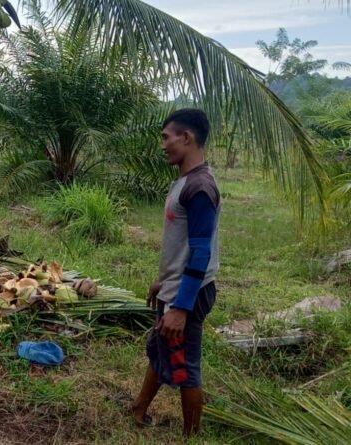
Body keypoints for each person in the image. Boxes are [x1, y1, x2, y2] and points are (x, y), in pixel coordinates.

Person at [130, 108, 220, 437]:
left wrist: (181, 307)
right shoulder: (185, 181)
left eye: (166, 138)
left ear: (187, 137)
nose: (163, 145)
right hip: (177, 287)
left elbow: (201, 252)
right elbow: (181, 244)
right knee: (159, 350)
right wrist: (163, 281)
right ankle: (139, 409)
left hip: (189, 294)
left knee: (185, 369)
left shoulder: (199, 187)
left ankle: (190, 436)